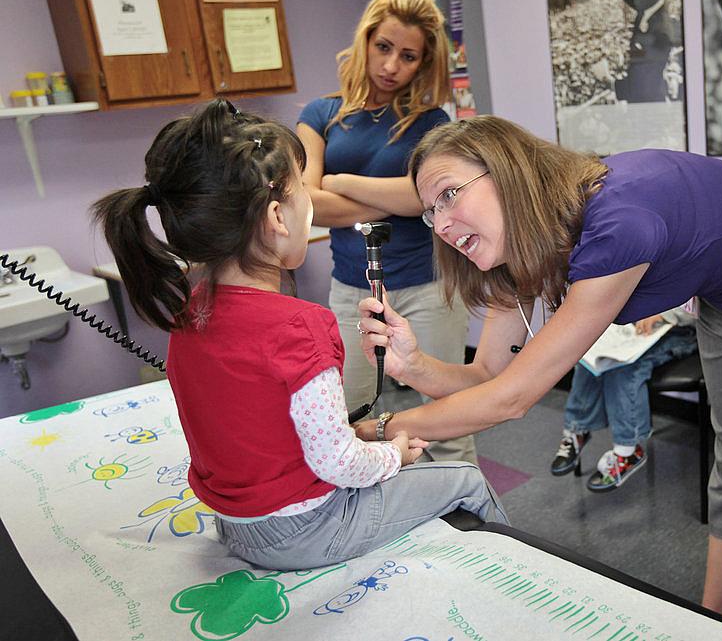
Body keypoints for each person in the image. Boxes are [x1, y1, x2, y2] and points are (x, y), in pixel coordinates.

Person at [354, 115, 722, 640]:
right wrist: (413, 367)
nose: (439, 225)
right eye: (429, 213)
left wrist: (363, 435)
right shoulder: (523, 246)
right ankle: (714, 629)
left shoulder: (618, 222)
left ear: (506, 173)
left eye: (447, 196)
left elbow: (510, 399)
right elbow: (487, 375)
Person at [91, 100, 506, 571]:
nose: (311, 203)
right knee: (466, 479)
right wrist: (392, 455)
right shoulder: (300, 327)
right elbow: (337, 464)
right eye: (302, 191)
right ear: (277, 218)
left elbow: (263, 428)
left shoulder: (191, 317)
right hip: (308, 529)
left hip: (237, 525)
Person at [297, 0, 476, 463]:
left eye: (408, 55)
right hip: (350, 291)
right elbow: (308, 204)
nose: (392, 65)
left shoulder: (431, 121)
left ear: (424, 62)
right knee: (346, 415)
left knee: (451, 420)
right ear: (366, 40)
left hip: (427, 287)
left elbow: (425, 194)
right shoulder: (321, 114)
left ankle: (475, 522)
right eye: (384, 47)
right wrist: (400, 198)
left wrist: (341, 180)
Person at [552, 306, 697, 492]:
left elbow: (700, 298)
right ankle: (577, 429)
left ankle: (628, 451)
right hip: (635, 320)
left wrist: (664, 313)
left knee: (625, 368)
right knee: (589, 353)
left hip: (679, 329)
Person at [591, 0, 682, 103]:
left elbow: (642, 85)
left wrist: (607, 79)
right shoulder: (649, 7)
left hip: (648, 106)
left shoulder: (661, 31)